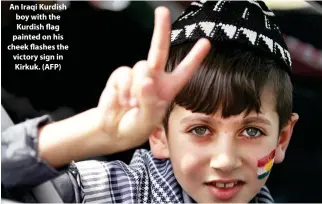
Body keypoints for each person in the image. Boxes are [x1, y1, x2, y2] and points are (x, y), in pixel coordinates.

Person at [2, 1, 299, 203]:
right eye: (199, 129)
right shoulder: (116, 190)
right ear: (159, 135)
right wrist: (98, 132)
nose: (225, 161)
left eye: (251, 132)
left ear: (282, 139)